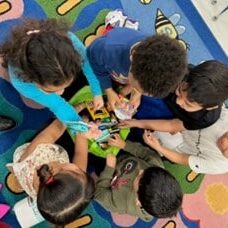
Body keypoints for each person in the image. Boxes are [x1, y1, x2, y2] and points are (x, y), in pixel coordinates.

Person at [1, 18, 103, 134]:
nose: (61, 93)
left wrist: (97, 92)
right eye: (51, 91)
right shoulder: (21, 82)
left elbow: (88, 65)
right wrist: (81, 127)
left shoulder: (70, 41)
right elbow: (57, 104)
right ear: (31, 79)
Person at [6, 105, 101, 225]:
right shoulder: (54, 189)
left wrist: (72, 112)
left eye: (77, 171)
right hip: (43, 172)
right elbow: (80, 155)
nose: (80, 168)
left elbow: (56, 128)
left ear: (59, 170)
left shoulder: (38, 152)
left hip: (30, 157)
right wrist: (82, 134)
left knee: (49, 128)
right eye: (81, 172)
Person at [87, 27, 187, 110]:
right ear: (133, 57)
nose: (134, 89)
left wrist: (137, 94)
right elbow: (92, 59)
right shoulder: (109, 49)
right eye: (135, 87)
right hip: (105, 58)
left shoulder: (144, 62)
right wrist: (108, 90)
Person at [120, 60, 228, 133]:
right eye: (180, 91)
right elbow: (147, 78)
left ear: (210, 107)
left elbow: (172, 125)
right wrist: (136, 93)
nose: (179, 101)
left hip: (171, 115)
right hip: (164, 92)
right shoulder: (179, 71)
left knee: (141, 125)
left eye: (188, 104)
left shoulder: (205, 119)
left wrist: (136, 124)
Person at [95, 134, 183, 221]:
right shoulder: (156, 167)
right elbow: (146, 153)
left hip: (108, 171)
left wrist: (109, 169)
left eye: (139, 176)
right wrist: (124, 145)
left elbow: (99, 194)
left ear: (138, 201)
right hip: (125, 155)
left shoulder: (122, 203)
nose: (140, 170)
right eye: (145, 170)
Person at [142, 107, 228, 175]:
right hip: (188, 120)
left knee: (151, 131)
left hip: (179, 145)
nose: (224, 142)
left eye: (225, 149)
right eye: (227, 136)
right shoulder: (224, 116)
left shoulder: (218, 166)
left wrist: (158, 147)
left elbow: (181, 158)